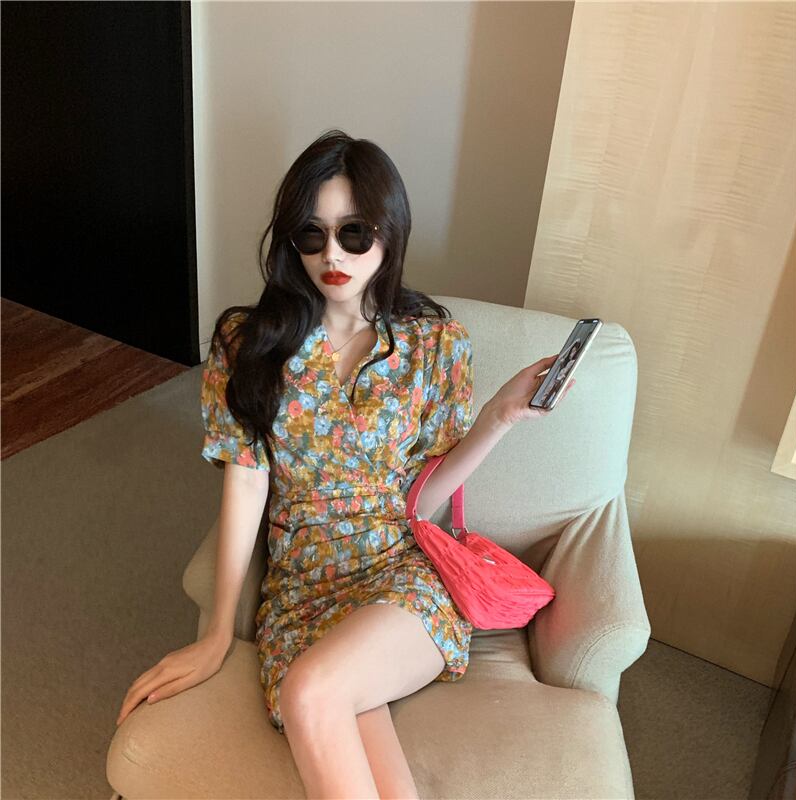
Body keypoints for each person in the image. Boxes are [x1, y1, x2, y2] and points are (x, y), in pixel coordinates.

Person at [115, 129, 576, 799]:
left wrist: (499, 417)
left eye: (354, 233)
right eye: (313, 234)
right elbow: (246, 483)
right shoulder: (247, 344)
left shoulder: (434, 343)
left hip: (400, 575)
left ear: (389, 233)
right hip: (299, 588)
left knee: (311, 690)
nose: (332, 254)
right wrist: (217, 631)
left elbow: (422, 500)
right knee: (348, 723)